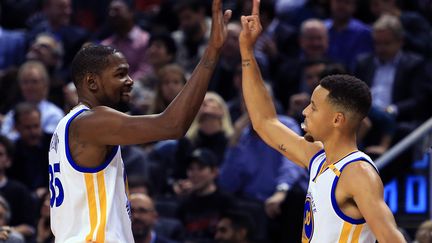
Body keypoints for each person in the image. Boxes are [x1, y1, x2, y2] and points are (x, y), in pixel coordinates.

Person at [47, 0, 232, 241]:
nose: (130, 81)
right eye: (120, 74)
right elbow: (172, 125)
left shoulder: (65, 127)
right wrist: (212, 53)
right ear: (92, 82)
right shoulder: (92, 122)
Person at [238, 1, 406, 242]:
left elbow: (393, 238)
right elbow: (264, 122)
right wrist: (247, 52)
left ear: (337, 119)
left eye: (314, 107)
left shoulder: (358, 173)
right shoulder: (318, 158)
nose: (305, 111)